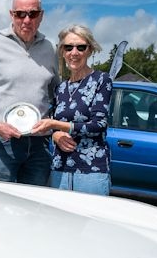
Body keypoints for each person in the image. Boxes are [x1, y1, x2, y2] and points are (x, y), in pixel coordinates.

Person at [0, 0, 59, 185]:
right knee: (0, 205)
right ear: (12, 14)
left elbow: (56, 95)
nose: (26, 20)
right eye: (20, 14)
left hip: (39, 143)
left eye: (33, 14)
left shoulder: (50, 49)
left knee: (36, 205)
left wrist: (55, 125)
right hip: (2, 142)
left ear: (41, 16)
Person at [30, 24, 112, 195]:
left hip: (91, 171)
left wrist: (57, 125)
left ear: (90, 50)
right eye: (68, 47)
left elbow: (99, 125)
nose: (74, 53)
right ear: (62, 51)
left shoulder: (101, 80)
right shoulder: (60, 88)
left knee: (91, 220)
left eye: (81, 47)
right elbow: (53, 125)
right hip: (60, 168)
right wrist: (55, 134)